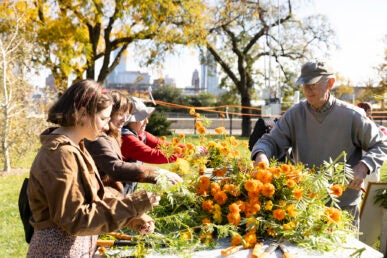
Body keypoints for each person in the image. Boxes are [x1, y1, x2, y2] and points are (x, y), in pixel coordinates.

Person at [26, 80, 159, 257]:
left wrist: (131, 216)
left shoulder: (77, 147)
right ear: (82, 114)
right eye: (103, 119)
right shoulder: (60, 155)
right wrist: (133, 205)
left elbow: (96, 196)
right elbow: (75, 219)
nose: (107, 126)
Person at [251, 61, 387, 229]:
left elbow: (381, 144)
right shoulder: (295, 114)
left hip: (343, 209)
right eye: (304, 84)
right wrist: (261, 155)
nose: (308, 89)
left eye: (313, 84)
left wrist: (364, 166)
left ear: (330, 83)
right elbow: (270, 141)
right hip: (305, 206)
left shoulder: (352, 116)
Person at [85, 91, 182, 195]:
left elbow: (162, 145)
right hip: (103, 194)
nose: (146, 122)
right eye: (120, 114)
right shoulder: (121, 137)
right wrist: (159, 173)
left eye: (126, 115)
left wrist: (191, 149)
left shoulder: (123, 134)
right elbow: (149, 155)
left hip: (111, 193)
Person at [121, 97, 183, 164]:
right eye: (142, 118)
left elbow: (162, 145)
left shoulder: (140, 134)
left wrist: (189, 149)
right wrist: (184, 152)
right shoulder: (125, 138)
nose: (146, 122)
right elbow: (154, 156)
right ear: (130, 121)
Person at [356, 102, 387, 187]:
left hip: (371, 162)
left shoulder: (378, 128)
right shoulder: (354, 126)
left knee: (371, 188)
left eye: (367, 110)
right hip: (357, 163)